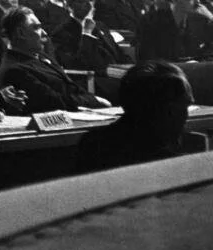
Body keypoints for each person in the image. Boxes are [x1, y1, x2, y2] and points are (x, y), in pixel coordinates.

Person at [76, 61, 205, 172]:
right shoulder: (177, 168)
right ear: (162, 112)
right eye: (182, 107)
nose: (185, 117)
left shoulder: (91, 144)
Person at [0, 8, 105, 112]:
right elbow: (54, 101)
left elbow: (72, 87)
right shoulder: (15, 69)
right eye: (36, 28)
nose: (44, 33)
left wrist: (92, 99)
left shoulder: (42, 56)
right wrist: (93, 101)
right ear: (20, 33)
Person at [51, 0, 133, 73]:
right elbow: (76, 65)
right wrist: (87, 33)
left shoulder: (100, 25)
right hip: (92, 78)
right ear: (69, 4)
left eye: (91, 0)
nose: (90, 5)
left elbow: (119, 55)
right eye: (83, 2)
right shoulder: (61, 33)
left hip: (115, 74)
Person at [139, 0, 213, 62]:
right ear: (174, 0)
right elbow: (147, 59)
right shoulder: (151, 21)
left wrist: (211, 17)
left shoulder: (200, 19)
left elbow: (208, 54)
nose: (198, 1)